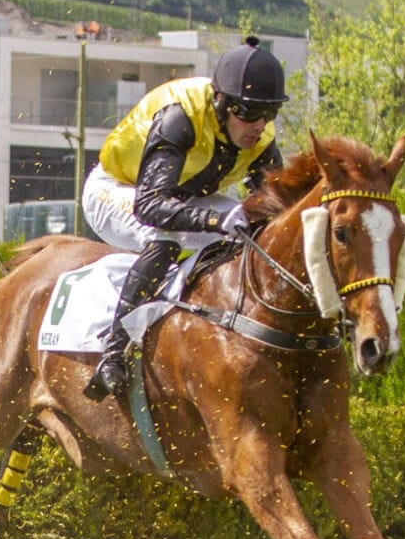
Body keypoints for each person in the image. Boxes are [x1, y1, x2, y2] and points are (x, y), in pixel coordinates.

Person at [79, 36, 287, 400]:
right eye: (249, 113)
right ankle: (114, 350)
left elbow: (279, 209)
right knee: (166, 238)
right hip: (118, 189)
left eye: (269, 113)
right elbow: (151, 205)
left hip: (186, 196)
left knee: (256, 233)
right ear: (220, 102)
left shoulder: (260, 136)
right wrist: (214, 221)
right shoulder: (181, 116)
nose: (258, 125)